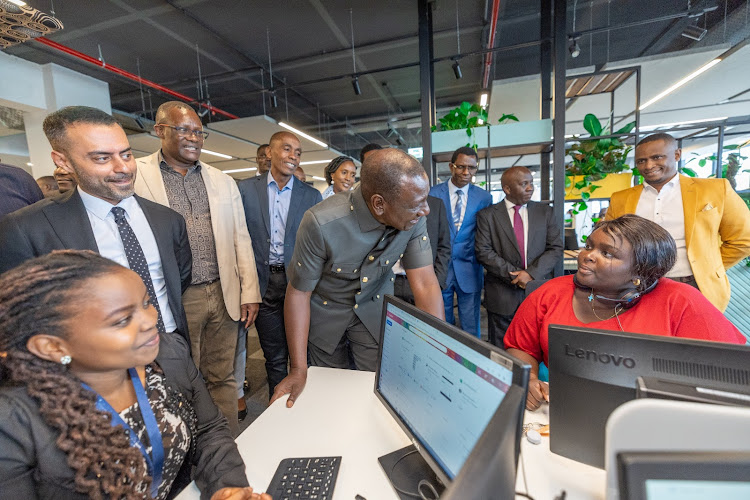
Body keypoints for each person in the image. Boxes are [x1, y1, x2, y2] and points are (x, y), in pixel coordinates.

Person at [0, 251, 270, 500]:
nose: (150, 320)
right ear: (54, 347)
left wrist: (226, 486)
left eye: (146, 303)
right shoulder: (13, 425)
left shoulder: (169, 356)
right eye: (121, 320)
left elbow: (208, 430)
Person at [504, 215, 747, 411]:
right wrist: (529, 379)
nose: (587, 255)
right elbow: (520, 347)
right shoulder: (549, 293)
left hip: (655, 420)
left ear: (639, 273)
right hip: (564, 412)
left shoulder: (682, 301)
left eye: (607, 253)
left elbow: (729, 375)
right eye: (589, 246)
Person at [0, 106, 192, 344]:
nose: (123, 168)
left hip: (170, 346)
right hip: (90, 365)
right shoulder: (26, 229)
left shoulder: (168, 220)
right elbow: (19, 315)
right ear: (63, 161)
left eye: (126, 154)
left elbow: (180, 279)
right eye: (102, 158)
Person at [271, 148, 445, 407]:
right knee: (330, 398)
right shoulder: (321, 223)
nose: (426, 211)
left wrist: (436, 353)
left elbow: (425, 283)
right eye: (417, 204)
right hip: (325, 318)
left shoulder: (413, 214)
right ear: (379, 204)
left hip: (374, 313)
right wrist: (297, 369)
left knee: (378, 393)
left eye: (425, 200)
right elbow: (298, 293)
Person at [134, 101, 261, 435]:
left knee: (223, 376)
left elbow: (240, 239)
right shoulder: (137, 175)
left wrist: (250, 291)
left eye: (198, 132)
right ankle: (192, 451)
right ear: (160, 130)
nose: (194, 138)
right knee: (179, 377)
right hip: (176, 296)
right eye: (184, 130)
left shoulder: (222, 180)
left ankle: (228, 443)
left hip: (223, 292)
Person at [606, 132, 750, 312]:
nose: (649, 165)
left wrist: (707, 267)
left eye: (657, 157)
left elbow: (743, 240)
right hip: (636, 288)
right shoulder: (620, 199)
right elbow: (610, 244)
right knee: (643, 339)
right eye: (641, 161)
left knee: (694, 339)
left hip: (694, 285)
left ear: (677, 155)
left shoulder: (715, 190)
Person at [238, 131, 322, 399]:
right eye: (287, 149)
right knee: (273, 354)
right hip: (262, 283)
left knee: (302, 352)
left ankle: (303, 405)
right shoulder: (245, 190)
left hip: (298, 282)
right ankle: (278, 408)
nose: (293, 156)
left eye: (298, 152)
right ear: (269, 153)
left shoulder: (310, 196)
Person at [475, 166, 562, 347]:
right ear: (507, 189)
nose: (530, 188)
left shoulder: (545, 212)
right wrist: (516, 275)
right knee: (501, 351)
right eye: (524, 184)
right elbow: (483, 251)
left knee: (538, 347)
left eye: (531, 183)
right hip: (501, 295)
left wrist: (530, 275)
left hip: (538, 292)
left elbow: (555, 248)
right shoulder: (488, 215)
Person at [429, 146, 492, 337]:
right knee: (441, 321)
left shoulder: (484, 197)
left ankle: (472, 364)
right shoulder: (432, 193)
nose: (466, 173)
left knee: (471, 323)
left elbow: (486, 234)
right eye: (461, 167)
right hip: (440, 268)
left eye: (472, 168)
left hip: (470, 268)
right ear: (451, 166)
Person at [392, 194, 452, 304]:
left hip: (425, 281)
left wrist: (437, 282)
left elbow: (444, 246)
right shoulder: (388, 201)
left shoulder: (435, 204)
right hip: (390, 281)